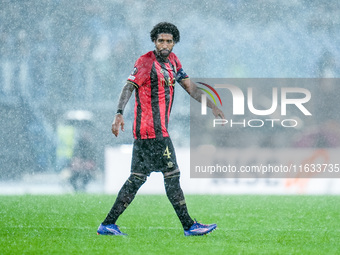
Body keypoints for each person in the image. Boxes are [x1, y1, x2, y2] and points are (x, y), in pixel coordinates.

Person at [97, 22, 225, 236]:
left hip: (153, 132)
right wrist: (119, 113)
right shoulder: (145, 62)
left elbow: (191, 88)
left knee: (137, 177)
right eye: (160, 41)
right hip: (152, 131)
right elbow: (129, 86)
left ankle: (108, 224)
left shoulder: (173, 61)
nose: (164, 44)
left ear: (174, 43)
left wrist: (212, 106)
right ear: (154, 42)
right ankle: (189, 226)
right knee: (172, 174)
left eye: (168, 41)